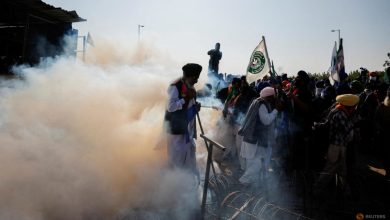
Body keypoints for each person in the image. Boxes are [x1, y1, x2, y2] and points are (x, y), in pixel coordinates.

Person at [314, 94, 359, 194]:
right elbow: (347, 130)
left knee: (342, 170)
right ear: (349, 105)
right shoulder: (340, 114)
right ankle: (317, 190)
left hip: (340, 145)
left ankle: (341, 190)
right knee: (329, 170)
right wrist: (354, 123)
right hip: (336, 146)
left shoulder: (341, 111)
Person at [164, 63, 202, 175]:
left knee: (189, 159)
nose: (197, 81)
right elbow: (170, 107)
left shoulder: (191, 87)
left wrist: (195, 108)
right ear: (190, 76)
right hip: (176, 131)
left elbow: (188, 107)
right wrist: (185, 98)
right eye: (196, 78)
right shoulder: (175, 86)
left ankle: (188, 185)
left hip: (187, 130)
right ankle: (174, 186)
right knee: (177, 162)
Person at [238, 87, 281, 185]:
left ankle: (252, 187)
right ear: (269, 97)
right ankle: (244, 182)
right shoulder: (262, 104)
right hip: (256, 140)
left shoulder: (257, 101)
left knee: (254, 164)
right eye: (274, 97)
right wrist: (276, 110)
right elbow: (266, 120)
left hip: (253, 139)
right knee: (256, 165)